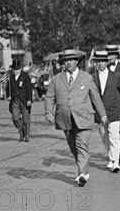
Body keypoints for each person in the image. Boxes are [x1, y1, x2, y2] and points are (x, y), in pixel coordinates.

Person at [45, 49, 107, 186]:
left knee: (82, 146)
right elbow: (50, 96)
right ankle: (84, 169)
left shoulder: (87, 77)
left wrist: (103, 115)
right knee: (73, 148)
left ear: (77, 62)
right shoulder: (57, 79)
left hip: (84, 118)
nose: (68, 63)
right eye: (66, 60)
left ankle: (82, 174)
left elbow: (95, 97)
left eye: (71, 60)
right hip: (65, 119)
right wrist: (49, 112)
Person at [91, 51, 120, 172]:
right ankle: (111, 157)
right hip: (100, 113)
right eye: (98, 61)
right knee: (105, 138)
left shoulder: (116, 76)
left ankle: (115, 162)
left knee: (114, 136)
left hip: (114, 111)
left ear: (106, 62)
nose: (100, 64)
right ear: (95, 63)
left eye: (103, 61)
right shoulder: (92, 77)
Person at [9, 60, 33, 142]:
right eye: (14, 70)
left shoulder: (25, 76)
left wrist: (29, 99)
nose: (15, 71)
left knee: (26, 119)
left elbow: (29, 88)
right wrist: (9, 95)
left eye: (17, 70)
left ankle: (26, 136)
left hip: (24, 100)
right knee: (15, 118)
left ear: (20, 69)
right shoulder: (11, 77)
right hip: (15, 100)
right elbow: (8, 88)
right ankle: (21, 131)